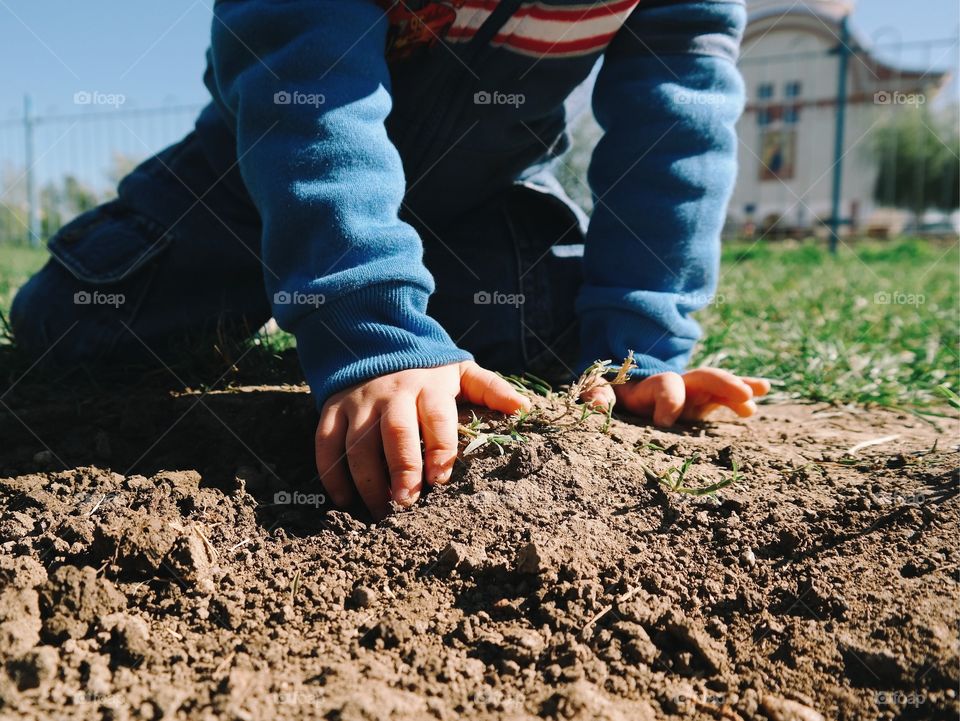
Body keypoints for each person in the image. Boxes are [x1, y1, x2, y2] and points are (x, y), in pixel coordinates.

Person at [11, 0, 768, 520]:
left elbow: (676, 124)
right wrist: (370, 330)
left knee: (541, 331)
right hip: (253, 179)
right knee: (78, 321)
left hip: (475, 204)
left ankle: (439, 320)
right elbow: (302, 75)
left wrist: (640, 344)